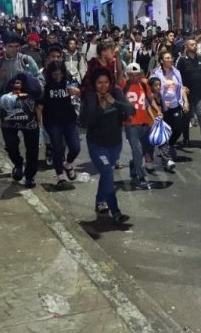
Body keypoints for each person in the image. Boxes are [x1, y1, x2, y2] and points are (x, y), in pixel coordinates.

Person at [80, 68, 136, 223]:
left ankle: (100, 201)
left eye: (106, 82)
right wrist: (101, 108)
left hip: (115, 144)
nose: (103, 86)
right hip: (97, 145)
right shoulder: (90, 97)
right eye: (99, 83)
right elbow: (84, 121)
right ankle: (115, 211)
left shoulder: (116, 92)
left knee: (106, 175)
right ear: (94, 84)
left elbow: (132, 110)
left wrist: (114, 102)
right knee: (107, 174)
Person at [39, 61, 81, 189]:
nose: (58, 77)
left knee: (75, 147)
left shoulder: (69, 82)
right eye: (55, 75)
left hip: (69, 120)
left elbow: (82, 92)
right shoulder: (46, 86)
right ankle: (60, 177)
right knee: (57, 149)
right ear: (50, 74)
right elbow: (39, 105)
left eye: (60, 74)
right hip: (52, 122)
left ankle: (67, 164)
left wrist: (77, 91)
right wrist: (40, 123)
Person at [0, 72, 43, 188]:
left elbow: (40, 96)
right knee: (11, 145)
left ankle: (30, 177)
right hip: (9, 121)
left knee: (32, 149)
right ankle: (18, 164)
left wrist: (39, 112)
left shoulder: (33, 82)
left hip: (30, 121)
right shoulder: (0, 67)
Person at [149, 51, 188, 170]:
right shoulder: (156, 73)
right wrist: (158, 101)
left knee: (178, 128)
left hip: (175, 104)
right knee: (164, 132)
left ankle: (170, 146)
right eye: (167, 58)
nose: (170, 60)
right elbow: (151, 90)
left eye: (171, 57)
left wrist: (186, 102)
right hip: (162, 107)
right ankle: (167, 160)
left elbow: (181, 87)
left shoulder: (176, 72)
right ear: (161, 60)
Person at [121, 63, 153, 190]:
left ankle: (134, 164)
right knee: (137, 150)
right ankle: (141, 177)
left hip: (144, 123)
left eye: (137, 75)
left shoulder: (144, 85)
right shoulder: (123, 85)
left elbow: (149, 101)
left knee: (144, 149)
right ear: (128, 75)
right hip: (131, 125)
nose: (135, 77)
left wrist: (156, 114)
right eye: (132, 75)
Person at [175, 38, 201, 148]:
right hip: (187, 93)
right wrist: (182, 87)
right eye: (192, 44)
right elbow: (177, 76)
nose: (195, 46)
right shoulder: (181, 60)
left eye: (195, 44)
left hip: (200, 92)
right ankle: (186, 139)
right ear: (186, 47)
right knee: (186, 117)